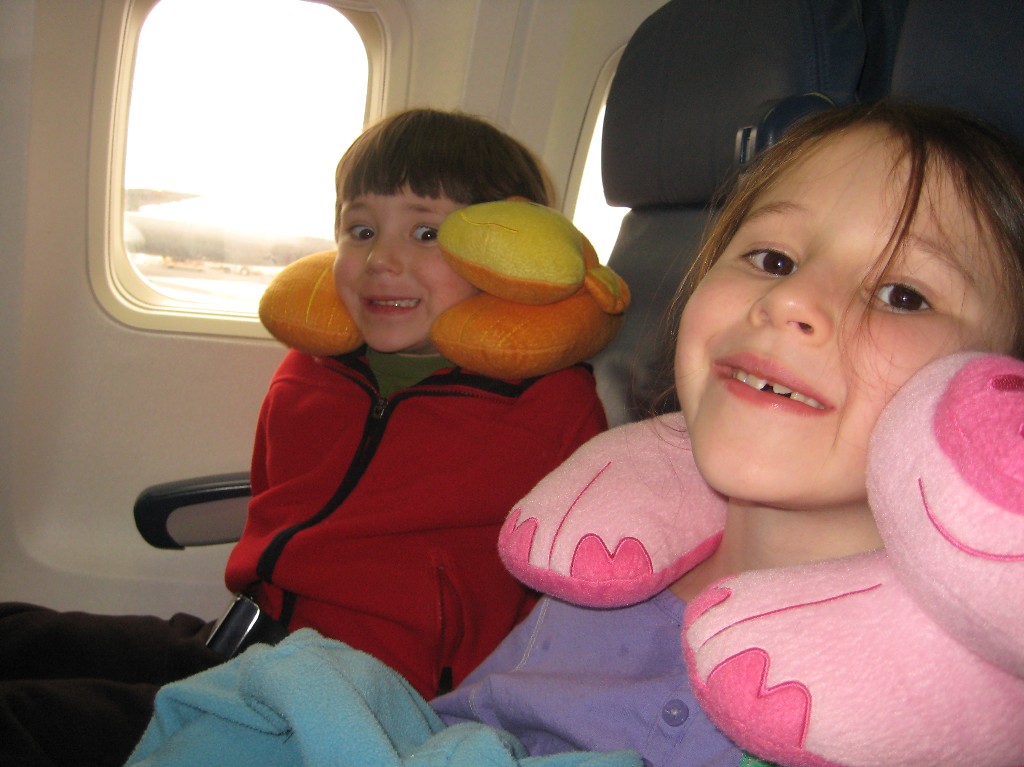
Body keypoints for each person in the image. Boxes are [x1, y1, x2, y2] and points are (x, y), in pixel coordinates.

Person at [125, 99, 1024, 767]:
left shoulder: (922, 706)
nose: (791, 298)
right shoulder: (604, 546)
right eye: (772, 257)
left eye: (903, 294)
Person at [0, 108, 609, 767]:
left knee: (24, 720)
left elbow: (573, 595)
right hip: (250, 639)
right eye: (361, 229)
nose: (380, 259)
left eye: (427, 232)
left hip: (357, 695)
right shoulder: (314, 368)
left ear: (509, 253)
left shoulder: (547, 404)